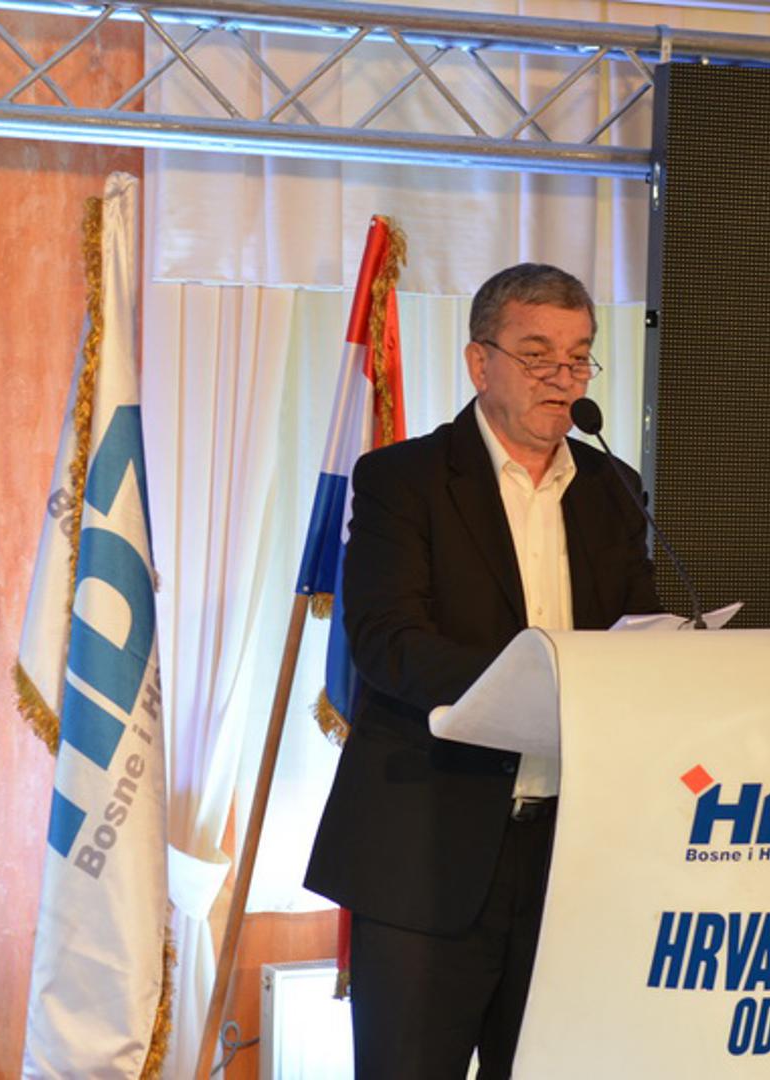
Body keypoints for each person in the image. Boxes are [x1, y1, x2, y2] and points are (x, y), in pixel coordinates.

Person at [304, 263, 661, 1079]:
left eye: (578, 358)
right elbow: (389, 644)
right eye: (537, 356)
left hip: (572, 856)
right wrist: (537, 685)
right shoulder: (404, 480)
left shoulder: (613, 489)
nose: (562, 378)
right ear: (479, 362)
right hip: (429, 852)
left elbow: (634, 637)